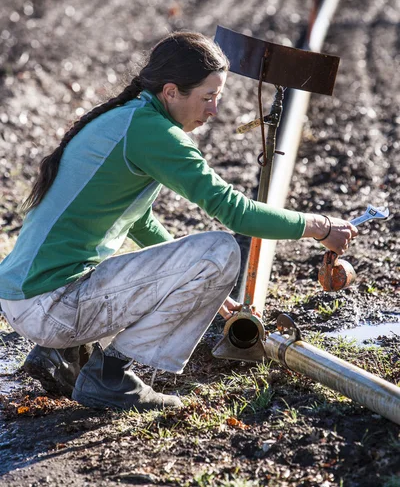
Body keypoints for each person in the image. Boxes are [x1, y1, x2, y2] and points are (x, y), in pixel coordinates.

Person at [0, 31, 358, 411]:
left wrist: (200, 288)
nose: (214, 110)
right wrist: (320, 227)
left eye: (217, 97)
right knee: (220, 251)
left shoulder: (128, 118)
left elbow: (139, 223)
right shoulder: (154, 133)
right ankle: (109, 375)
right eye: (208, 97)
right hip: (50, 308)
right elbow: (234, 210)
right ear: (171, 92)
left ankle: (64, 353)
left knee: (202, 261)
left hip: (27, 299)